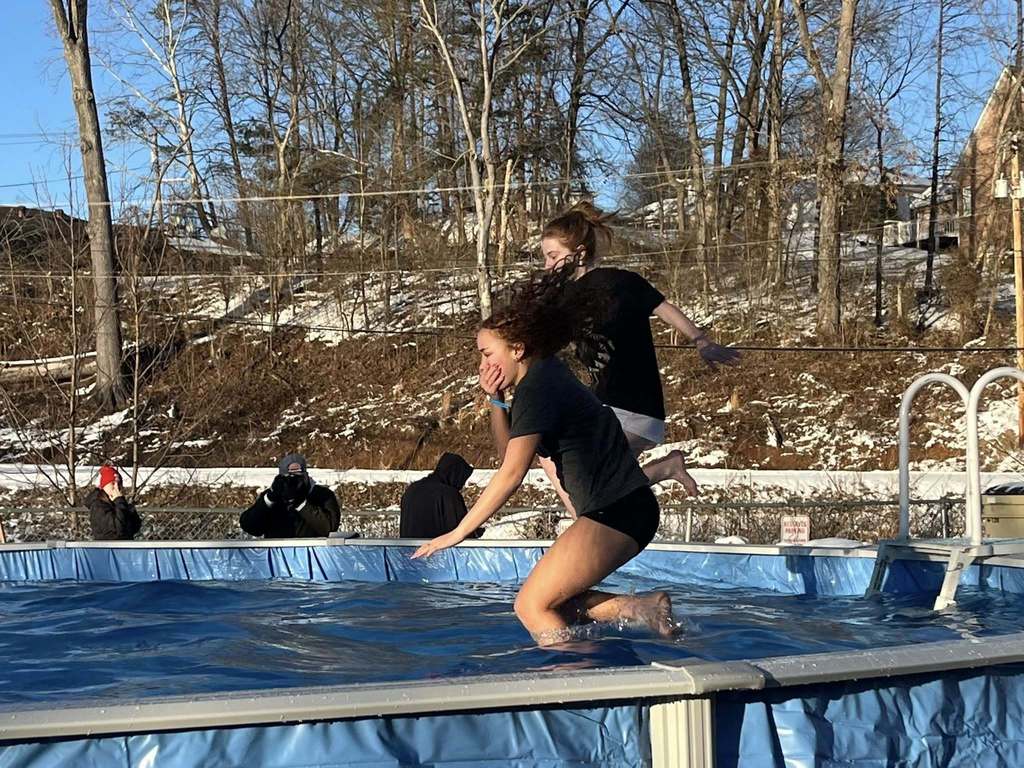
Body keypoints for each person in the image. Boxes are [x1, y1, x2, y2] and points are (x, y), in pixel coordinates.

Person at [413, 267, 674, 646]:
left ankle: (576, 685)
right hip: (623, 509)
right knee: (560, 604)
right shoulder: (541, 379)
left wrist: (457, 532)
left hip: (617, 510)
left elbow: (512, 473)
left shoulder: (539, 388)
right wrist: (496, 400)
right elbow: (510, 452)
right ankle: (642, 608)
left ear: (517, 348)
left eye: (487, 353)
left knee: (531, 607)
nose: (482, 364)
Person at [508, 201, 739, 513]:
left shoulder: (619, 282)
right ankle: (661, 472)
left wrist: (700, 339)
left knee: (554, 457)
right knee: (607, 490)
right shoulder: (562, 300)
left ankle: (584, 518)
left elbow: (663, 307)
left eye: (552, 256)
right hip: (607, 407)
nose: (548, 265)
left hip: (633, 407)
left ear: (578, 253)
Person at [240, 454, 341, 538]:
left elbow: (329, 528)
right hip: (278, 556)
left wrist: (301, 504)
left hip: (312, 556)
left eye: (298, 477)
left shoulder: (322, 495)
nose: (293, 482)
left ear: (306, 476)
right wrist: (269, 500)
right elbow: (251, 527)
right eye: (288, 478)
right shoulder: (274, 496)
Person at [399, 452, 483, 539]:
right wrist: (474, 533)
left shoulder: (412, 489)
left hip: (408, 550)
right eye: (461, 479)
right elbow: (460, 531)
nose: (462, 485)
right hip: (437, 550)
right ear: (455, 474)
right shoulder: (449, 495)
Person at [86, 464, 142, 541]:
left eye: (118, 484)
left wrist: (128, 509)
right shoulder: (98, 506)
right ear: (104, 486)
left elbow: (135, 527)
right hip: (108, 550)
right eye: (112, 483)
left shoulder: (119, 502)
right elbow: (116, 530)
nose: (116, 487)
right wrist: (119, 502)